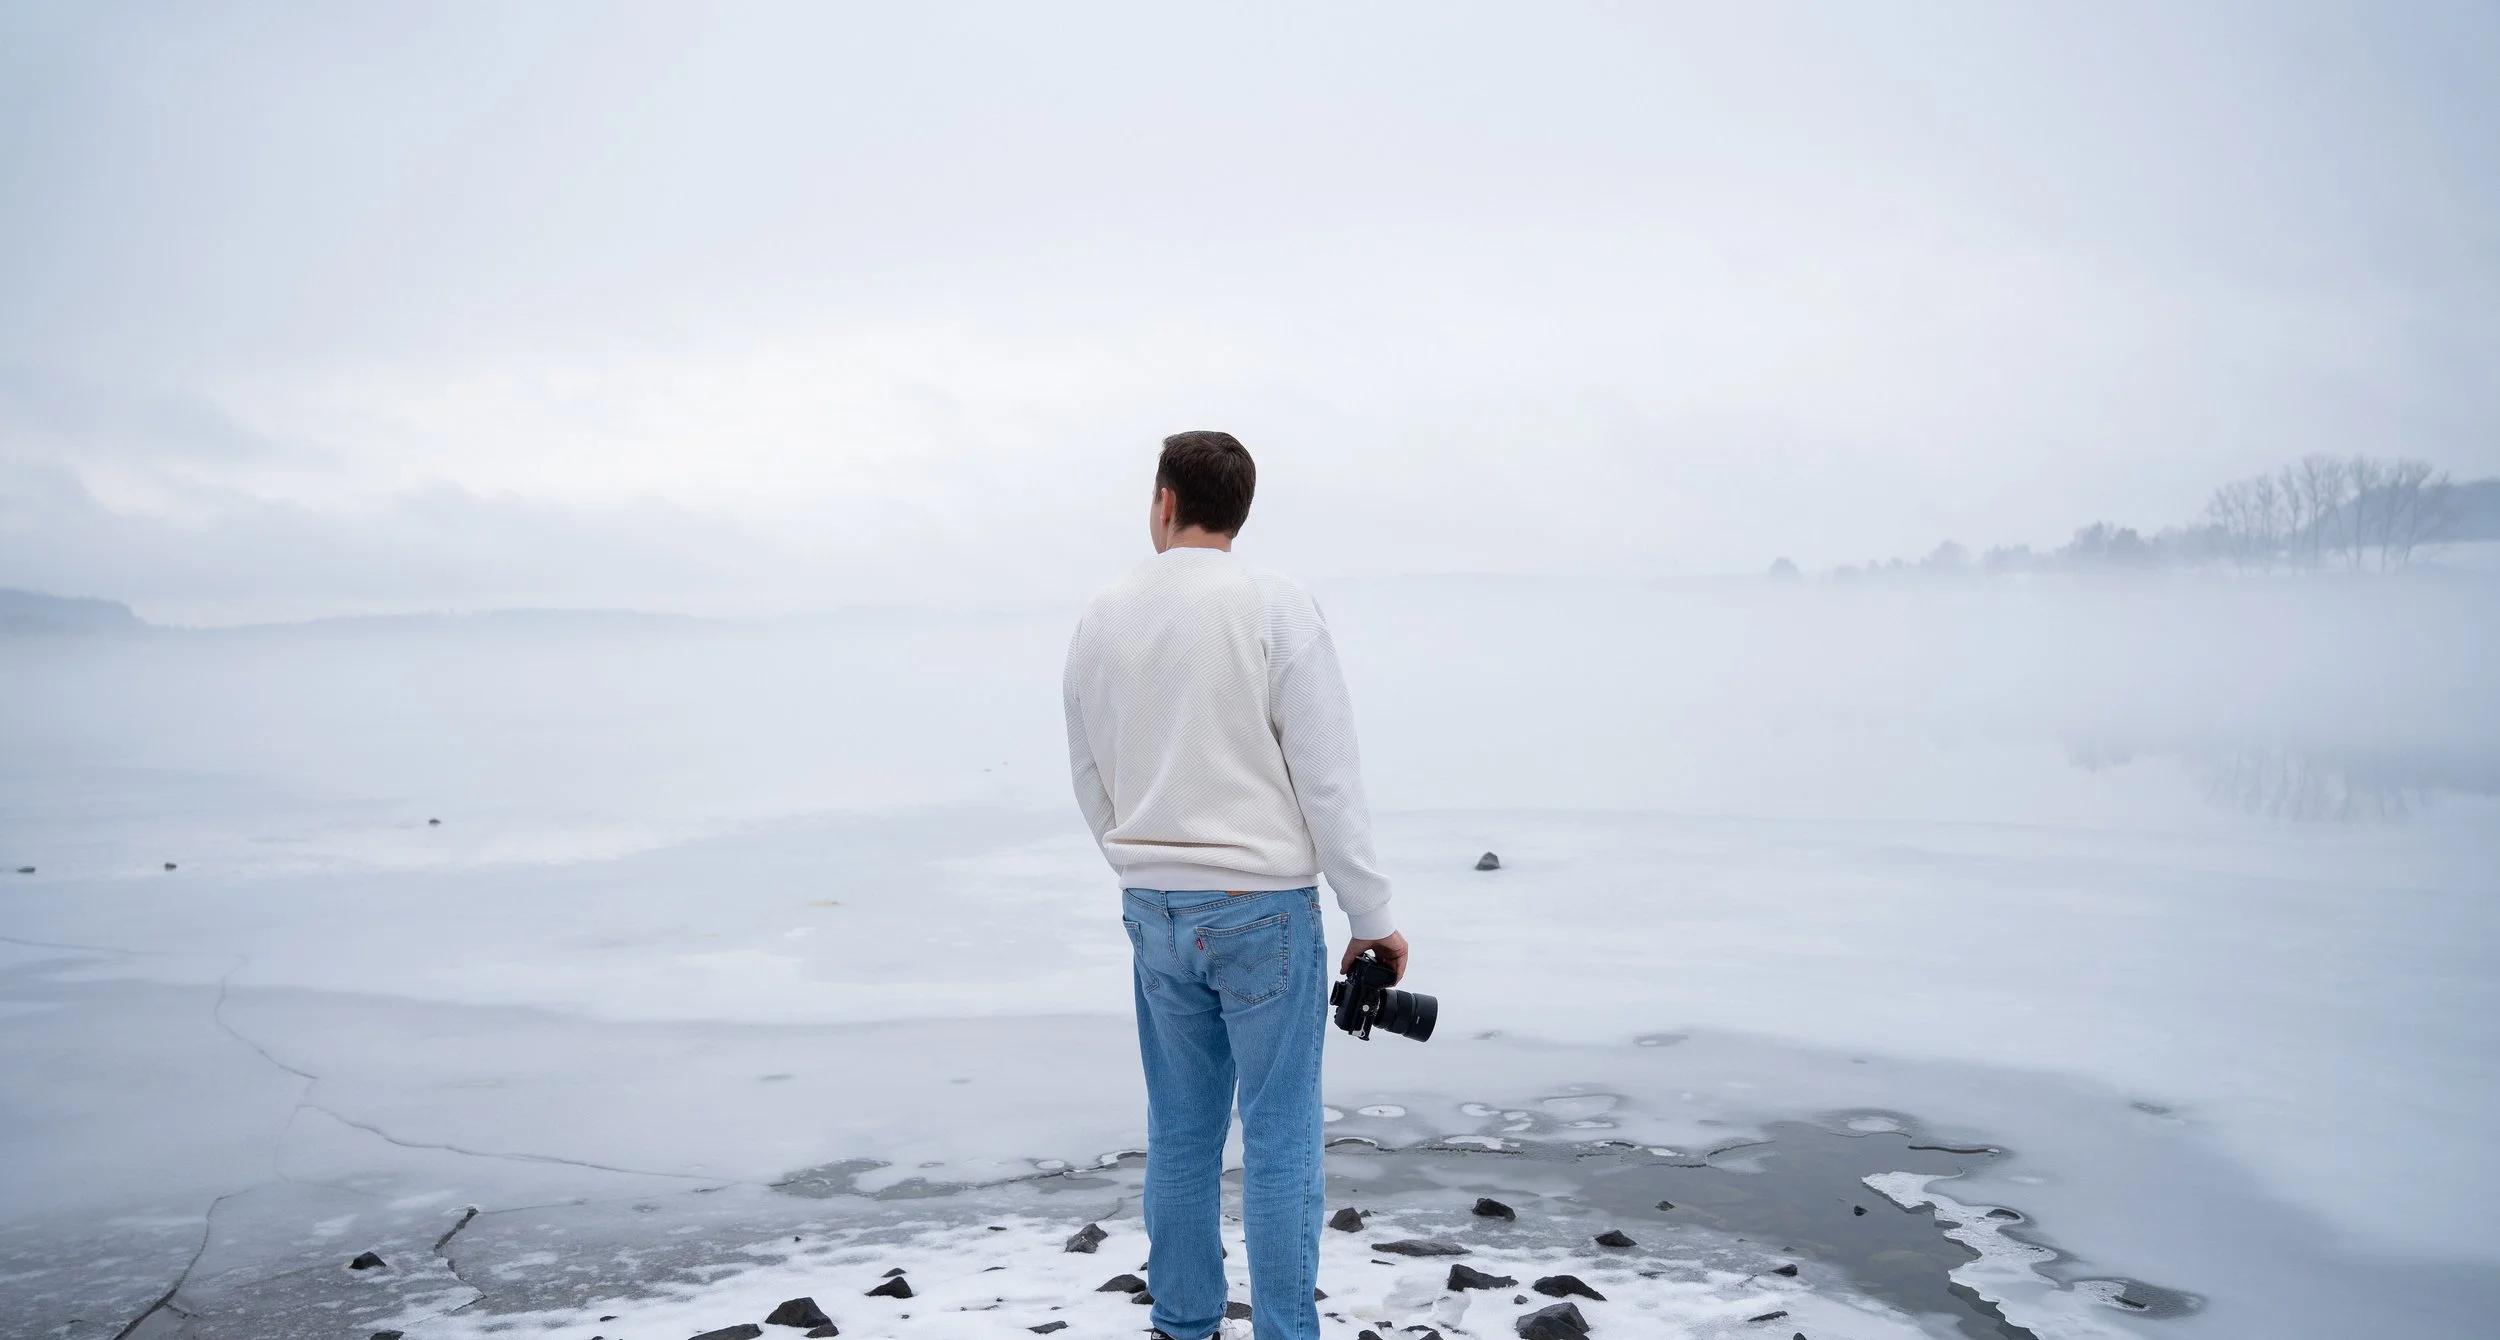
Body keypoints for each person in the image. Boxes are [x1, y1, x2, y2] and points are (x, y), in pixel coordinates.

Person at [1063, 430, 1405, 1340]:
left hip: (1153, 908)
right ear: (1238, 511)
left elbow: (1090, 771)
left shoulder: (1102, 613)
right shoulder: (1273, 603)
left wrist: (1143, 866)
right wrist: (1371, 916)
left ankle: (1182, 1327)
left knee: (1181, 1135)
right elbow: (1326, 774)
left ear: (1164, 501)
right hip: (1262, 912)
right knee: (1282, 1141)